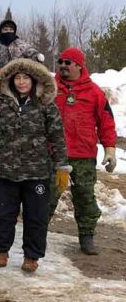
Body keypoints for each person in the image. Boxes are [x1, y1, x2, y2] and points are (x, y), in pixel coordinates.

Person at [0, 59, 70, 273]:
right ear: (10, 81)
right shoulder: (1, 103)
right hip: (6, 170)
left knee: (36, 216)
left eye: (25, 78)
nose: (21, 82)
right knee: (2, 215)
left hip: (37, 171)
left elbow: (57, 137)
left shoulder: (45, 104)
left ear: (34, 80)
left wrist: (62, 166)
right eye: (17, 78)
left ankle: (32, 257)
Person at [49, 47, 118, 254]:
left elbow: (106, 122)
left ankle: (86, 237)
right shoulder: (50, 88)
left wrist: (110, 149)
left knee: (85, 198)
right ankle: (36, 237)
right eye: (60, 62)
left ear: (79, 66)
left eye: (67, 62)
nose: (62, 66)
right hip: (54, 155)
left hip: (83, 156)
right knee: (46, 197)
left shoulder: (94, 92)